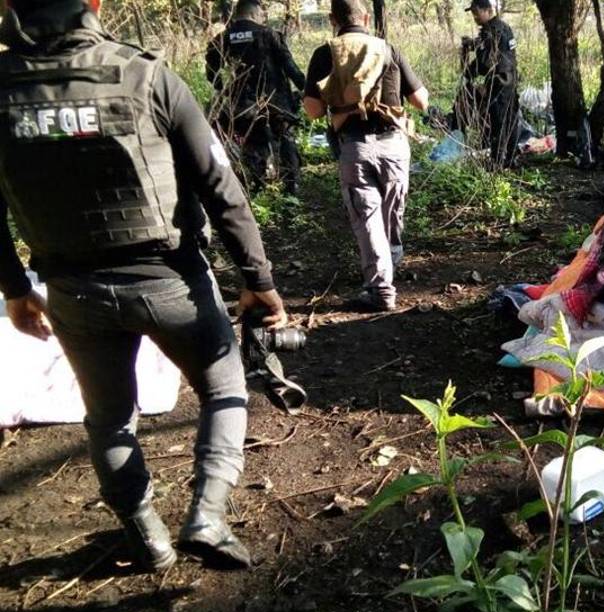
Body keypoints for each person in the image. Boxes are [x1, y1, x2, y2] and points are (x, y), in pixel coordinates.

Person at [0, 0, 286, 571]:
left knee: (109, 417)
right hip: (170, 281)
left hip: (73, 290)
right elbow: (219, 185)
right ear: (94, 5)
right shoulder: (147, 76)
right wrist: (258, 280)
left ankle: (146, 535)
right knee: (224, 387)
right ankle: (207, 515)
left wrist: (14, 289)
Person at [302, 0, 428, 312]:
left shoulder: (325, 53)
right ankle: (390, 259)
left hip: (355, 146)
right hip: (394, 145)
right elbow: (420, 101)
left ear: (332, 20)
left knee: (368, 217)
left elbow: (313, 111)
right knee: (392, 211)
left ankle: (381, 288)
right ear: (367, 18)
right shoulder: (388, 49)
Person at [207, 0, 307, 194]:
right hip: (276, 101)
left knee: (253, 141)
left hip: (242, 103)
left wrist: (223, 89)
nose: (263, 19)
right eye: (261, 15)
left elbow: (212, 72)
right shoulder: (269, 35)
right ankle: (291, 186)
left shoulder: (223, 38)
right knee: (285, 138)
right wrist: (306, 89)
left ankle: (257, 184)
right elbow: (290, 67)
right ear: (253, 14)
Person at [462, 0, 519, 169]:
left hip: (499, 81)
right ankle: (511, 159)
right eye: (473, 13)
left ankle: (497, 162)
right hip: (510, 79)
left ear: (488, 10)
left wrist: (468, 73)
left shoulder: (491, 31)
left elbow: (485, 61)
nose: (475, 17)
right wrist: (473, 44)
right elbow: (496, 49)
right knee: (510, 119)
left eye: (477, 12)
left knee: (498, 121)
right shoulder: (503, 27)